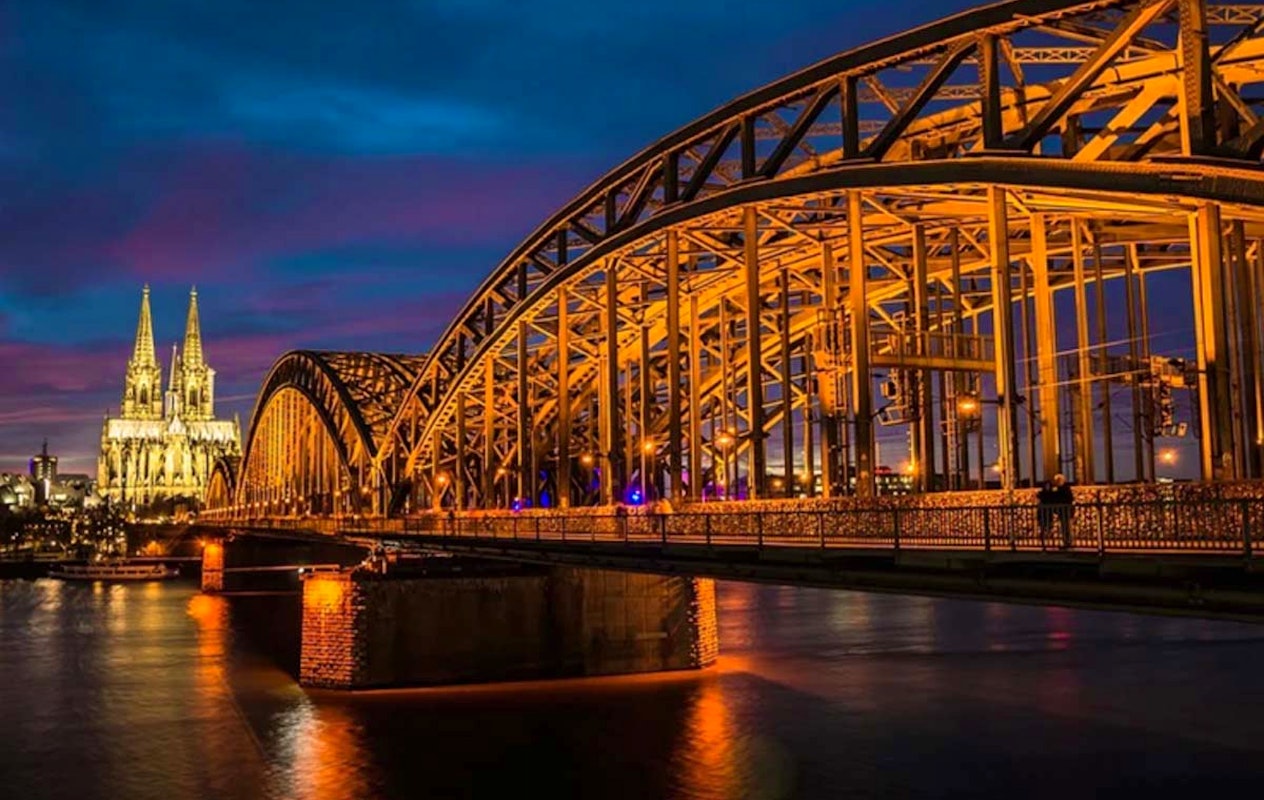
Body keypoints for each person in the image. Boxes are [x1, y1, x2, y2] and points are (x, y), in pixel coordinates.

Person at [1038, 474, 1074, 549]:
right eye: (1056, 481)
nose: (1056, 482)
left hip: (1065, 511)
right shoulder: (1060, 489)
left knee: (1066, 527)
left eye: (1058, 480)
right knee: (1065, 527)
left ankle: (1067, 542)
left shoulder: (1064, 489)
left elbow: (1067, 499)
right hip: (1062, 511)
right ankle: (1066, 542)